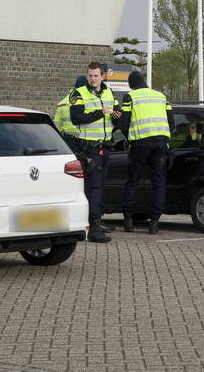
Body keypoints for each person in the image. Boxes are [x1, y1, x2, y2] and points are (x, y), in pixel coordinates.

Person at [69, 61, 121, 243]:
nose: (92, 79)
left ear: (102, 76)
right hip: (89, 148)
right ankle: (93, 228)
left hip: (105, 147)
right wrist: (101, 112)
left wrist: (117, 115)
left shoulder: (108, 92)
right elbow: (76, 118)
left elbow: (116, 110)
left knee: (100, 187)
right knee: (93, 188)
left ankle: (96, 223)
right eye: (90, 75)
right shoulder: (79, 93)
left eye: (96, 76)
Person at [118, 70, 174, 235]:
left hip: (140, 144)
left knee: (132, 180)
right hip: (161, 144)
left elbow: (124, 122)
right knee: (158, 182)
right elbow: (171, 122)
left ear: (131, 84)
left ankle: (128, 220)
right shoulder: (161, 96)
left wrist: (130, 137)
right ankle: (154, 223)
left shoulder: (131, 96)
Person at [54, 75, 86, 155]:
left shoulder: (62, 103)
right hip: (85, 139)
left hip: (68, 140)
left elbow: (57, 125)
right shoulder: (87, 100)